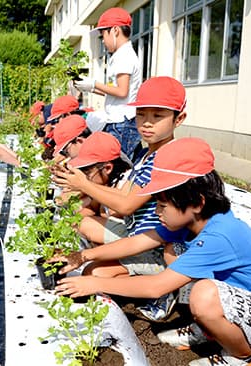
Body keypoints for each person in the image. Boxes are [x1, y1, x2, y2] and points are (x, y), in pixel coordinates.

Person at [56, 137, 251, 366]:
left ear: (197, 203)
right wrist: (82, 256)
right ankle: (209, 328)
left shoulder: (221, 234)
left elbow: (156, 286)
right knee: (174, 253)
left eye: (162, 205)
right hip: (237, 303)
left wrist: (93, 284)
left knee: (203, 294)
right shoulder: (191, 222)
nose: (157, 212)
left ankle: (241, 356)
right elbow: (139, 241)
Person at [52, 76, 187, 320]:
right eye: (141, 115)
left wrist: (83, 184)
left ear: (179, 119)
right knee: (92, 270)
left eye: (157, 116)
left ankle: (162, 288)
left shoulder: (164, 159)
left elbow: (125, 205)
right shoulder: (147, 154)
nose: (147, 123)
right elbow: (125, 195)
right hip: (140, 238)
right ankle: (149, 281)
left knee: (93, 275)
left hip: (156, 246)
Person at [73, 7, 142, 160]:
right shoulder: (120, 55)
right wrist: (90, 87)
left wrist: (94, 83)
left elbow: (122, 91)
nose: (103, 40)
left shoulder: (124, 56)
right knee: (130, 162)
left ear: (115, 30)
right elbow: (114, 92)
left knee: (115, 164)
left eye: (103, 34)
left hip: (122, 123)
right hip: (122, 121)